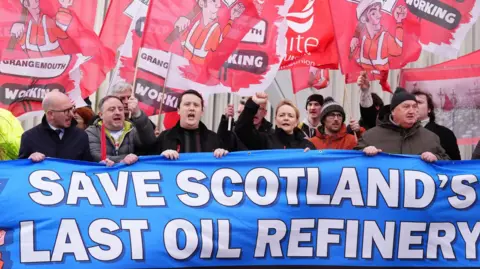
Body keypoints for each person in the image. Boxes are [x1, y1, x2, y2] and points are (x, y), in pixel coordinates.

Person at [355, 88, 449, 162]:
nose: (411, 111)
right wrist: (363, 153)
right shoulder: (370, 136)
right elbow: (352, 160)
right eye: (406, 107)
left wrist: (436, 158)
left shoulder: (431, 138)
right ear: (393, 111)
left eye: (414, 106)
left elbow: (449, 164)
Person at [155, 89, 231, 160]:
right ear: (178, 110)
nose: (192, 108)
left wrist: (223, 155)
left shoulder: (214, 139)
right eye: (187, 104)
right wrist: (160, 157)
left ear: (202, 112)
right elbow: (147, 164)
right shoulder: (164, 138)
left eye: (196, 105)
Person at [18, 91, 92, 162]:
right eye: (66, 111)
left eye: (71, 109)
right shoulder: (29, 137)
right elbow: (21, 169)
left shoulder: (81, 136)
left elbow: (87, 167)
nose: (71, 114)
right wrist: (29, 160)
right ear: (51, 114)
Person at [86, 96, 156, 166]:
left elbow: (149, 142)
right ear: (101, 115)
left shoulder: (132, 129)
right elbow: (95, 155)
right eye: (112, 109)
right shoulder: (92, 132)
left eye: (120, 109)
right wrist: (122, 160)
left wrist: (138, 114)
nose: (117, 112)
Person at [235, 92, 315, 150]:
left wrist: (310, 157)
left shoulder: (307, 145)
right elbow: (242, 130)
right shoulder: (265, 141)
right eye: (282, 115)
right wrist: (252, 103)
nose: (286, 118)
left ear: (296, 121)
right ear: (275, 120)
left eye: (290, 116)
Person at [350, 0, 407, 78]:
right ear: (364, 19)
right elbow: (350, 59)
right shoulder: (361, 41)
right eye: (373, 13)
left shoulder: (385, 37)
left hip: (382, 83)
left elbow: (398, 50)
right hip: (363, 83)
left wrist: (399, 21)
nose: (379, 15)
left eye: (379, 10)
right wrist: (354, 37)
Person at [10, 0, 74, 58]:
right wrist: (16, 33)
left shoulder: (47, 21)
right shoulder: (26, 26)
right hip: (35, 68)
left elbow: (61, 29)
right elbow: (20, 45)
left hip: (58, 66)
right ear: (26, 3)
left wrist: (64, 6)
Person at [413, 90, 461, 160]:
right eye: (410, 104)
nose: (414, 106)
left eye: (419, 102)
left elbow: (454, 164)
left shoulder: (445, 134)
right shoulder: (401, 132)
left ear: (429, 109)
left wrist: (437, 158)